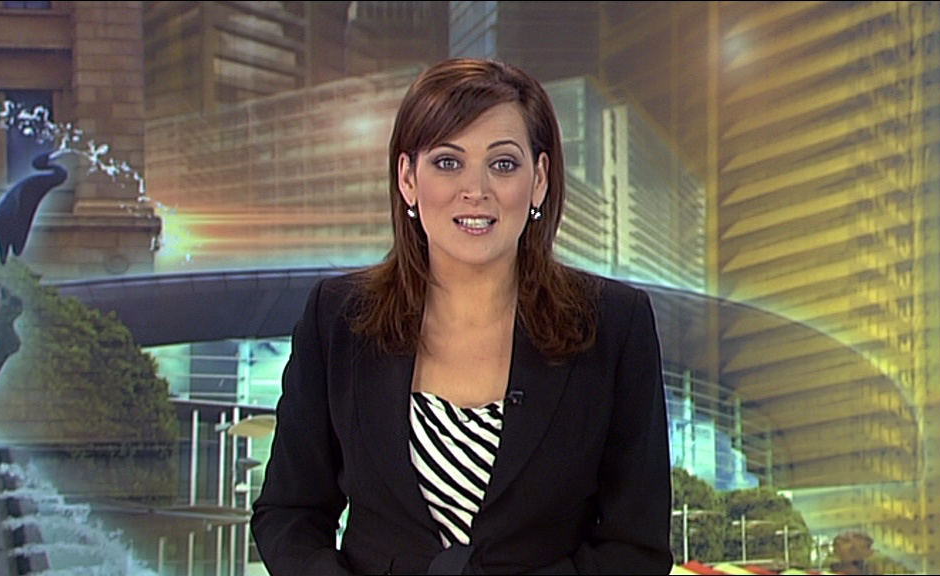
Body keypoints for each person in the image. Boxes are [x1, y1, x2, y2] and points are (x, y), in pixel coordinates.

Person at [251, 57, 674, 575]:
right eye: (448, 162)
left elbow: (635, 546)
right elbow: (289, 515)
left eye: (503, 164)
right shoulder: (337, 317)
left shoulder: (614, 326)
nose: (476, 190)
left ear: (539, 179)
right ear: (408, 178)